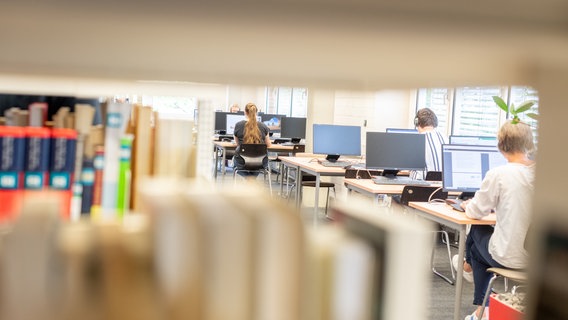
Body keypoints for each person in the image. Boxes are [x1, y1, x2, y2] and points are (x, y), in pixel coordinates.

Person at [457, 120, 535, 320]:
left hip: (509, 258)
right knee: (482, 238)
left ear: (501, 146)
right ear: (530, 144)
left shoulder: (498, 174)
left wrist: (468, 205)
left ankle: (480, 309)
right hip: (539, 261)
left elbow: (476, 212)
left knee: (475, 235)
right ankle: (468, 269)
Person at [232, 102, 272, 176]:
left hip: (242, 162)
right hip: (260, 162)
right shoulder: (264, 126)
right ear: (256, 113)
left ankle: (249, 180)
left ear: (245, 112)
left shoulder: (238, 125)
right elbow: (268, 145)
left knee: (234, 164)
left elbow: (238, 144)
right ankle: (251, 181)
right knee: (256, 165)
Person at [410, 108, 447, 180]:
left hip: (419, 186)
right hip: (440, 188)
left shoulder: (416, 140)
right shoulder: (444, 138)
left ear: (416, 122)